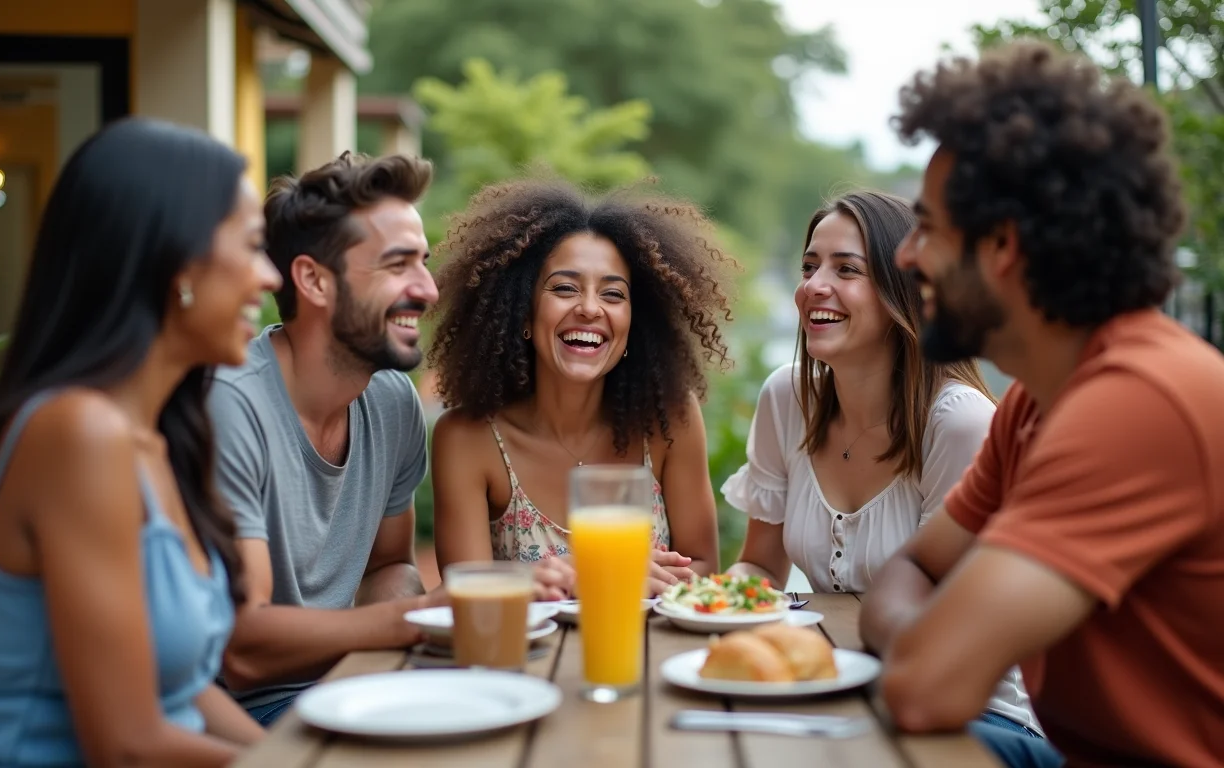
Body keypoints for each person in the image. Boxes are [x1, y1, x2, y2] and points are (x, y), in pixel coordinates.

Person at [860, 40, 1224, 768]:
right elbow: (909, 575)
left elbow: (925, 689)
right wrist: (922, 643)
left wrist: (924, 652)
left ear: (1003, 245)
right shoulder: (1035, 402)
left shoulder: (1139, 402)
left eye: (927, 227)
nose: (905, 256)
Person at [0, 118, 278, 765]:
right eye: (253, 245)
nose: (269, 276)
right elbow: (125, 745)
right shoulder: (77, 433)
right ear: (176, 259)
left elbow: (179, 692)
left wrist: (295, 753)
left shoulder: (161, 436)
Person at [722, 190, 1039, 737]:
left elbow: (952, 632)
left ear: (903, 295)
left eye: (847, 269)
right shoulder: (786, 397)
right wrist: (712, 600)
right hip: (832, 689)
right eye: (808, 266)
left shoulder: (959, 424)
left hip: (967, 714)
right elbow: (761, 566)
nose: (814, 286)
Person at [209, 152, 447, 727]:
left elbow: (388, 564)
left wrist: (393, 661)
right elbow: (243, 651)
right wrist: (425, 617)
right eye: (398, 265)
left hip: (343, 688)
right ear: (314, 279)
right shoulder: (229, 404)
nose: (429, 289)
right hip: (236, 717)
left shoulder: (391, 400)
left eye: (424, 262)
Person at [428, 178, 731, 599]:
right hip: (521, 662)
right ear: (522, 313)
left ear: (633, 324)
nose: (590, 308)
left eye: (612, 294)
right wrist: (601, 573)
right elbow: (465, 595)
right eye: (565, 288)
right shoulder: (467, 438)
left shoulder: (670, 420)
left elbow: (701, 567)